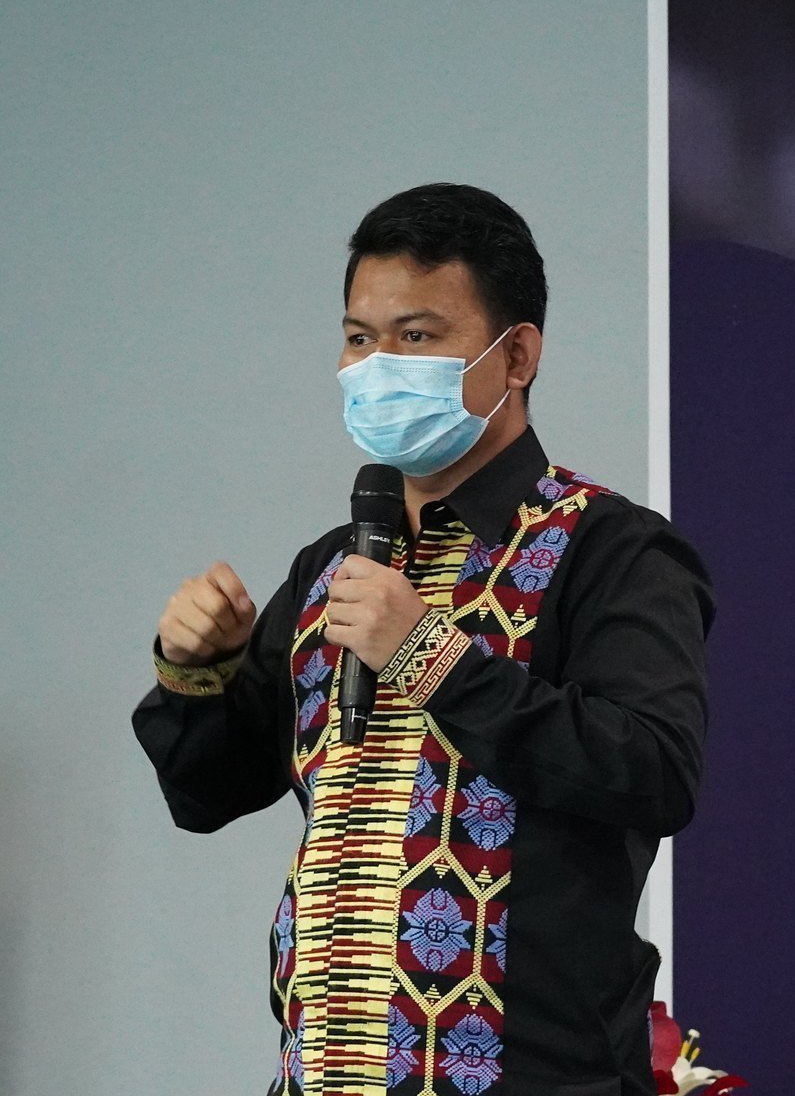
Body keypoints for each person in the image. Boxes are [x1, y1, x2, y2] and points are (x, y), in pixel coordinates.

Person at [132, 183, 713, 1096]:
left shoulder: (612, 548)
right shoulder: (333, 566)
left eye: (415, 336)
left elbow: (652, 770)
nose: (377, 367)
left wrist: (429, 659)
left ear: (515, 354)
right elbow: (206, 793)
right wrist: (194, 671)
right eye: (359, 338)